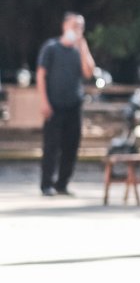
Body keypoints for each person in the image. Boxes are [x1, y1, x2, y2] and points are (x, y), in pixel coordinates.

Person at [37, 12, 95, 197]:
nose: (77, 29)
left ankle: (62, 183)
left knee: (71, 146)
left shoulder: (79, 51)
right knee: (51, 146)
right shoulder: (51, 47)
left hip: (74, 105)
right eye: (74, 25)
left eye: (80, 26)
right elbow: (40, 75)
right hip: (54, 104)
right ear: (64, 26)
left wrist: (83, 46)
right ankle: (46, 184)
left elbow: (88, 72)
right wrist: (44, 101)